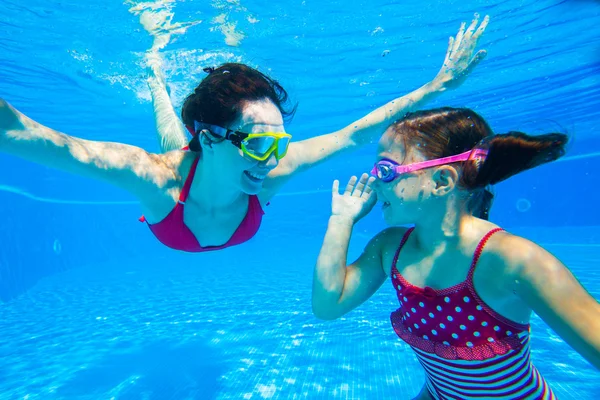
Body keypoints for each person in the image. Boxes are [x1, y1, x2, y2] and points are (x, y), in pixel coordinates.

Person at [0, 16, 489, 253]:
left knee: (183, 141)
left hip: (207, 160)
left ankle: (161, 84)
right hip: (189, 171)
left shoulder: (273, 168)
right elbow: (35, 138)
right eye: (260, 143)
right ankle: (156, 80)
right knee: (173, 138)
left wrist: (436, 85)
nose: (274, 157)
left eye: (280, 142)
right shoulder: (152, 179)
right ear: (213, 137)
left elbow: (356, 132)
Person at [311, 107, 600, 399]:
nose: (373, 182)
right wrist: (341, 220)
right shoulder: (390, 248)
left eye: (385, 171)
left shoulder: (512, 260)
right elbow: (328, 305)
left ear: (441, 182)